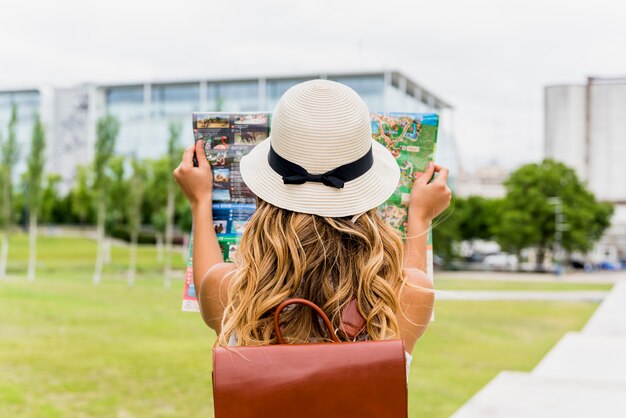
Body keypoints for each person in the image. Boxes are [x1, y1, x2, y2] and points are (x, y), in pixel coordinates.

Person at [173, 80, 451, 373]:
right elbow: (411, 279)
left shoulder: (229, 291)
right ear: (368, 196)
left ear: (262, 194)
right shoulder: (409, 296)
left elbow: (209, 280)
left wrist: (201, 202)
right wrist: (420, 217)